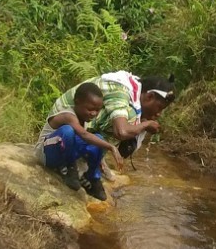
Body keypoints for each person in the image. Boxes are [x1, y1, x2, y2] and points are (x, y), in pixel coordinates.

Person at [35, 71, 176, 201]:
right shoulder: (119, 90)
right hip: (50, 150)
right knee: (68, 132)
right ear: (150, 96)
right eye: (159, 108)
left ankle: (91, 176)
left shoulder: (132, 100)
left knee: (99, 139)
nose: (158, 114)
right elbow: (121, 132)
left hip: (73, 141)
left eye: (96, 110)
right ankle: (70, 167)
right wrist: (145, 125)